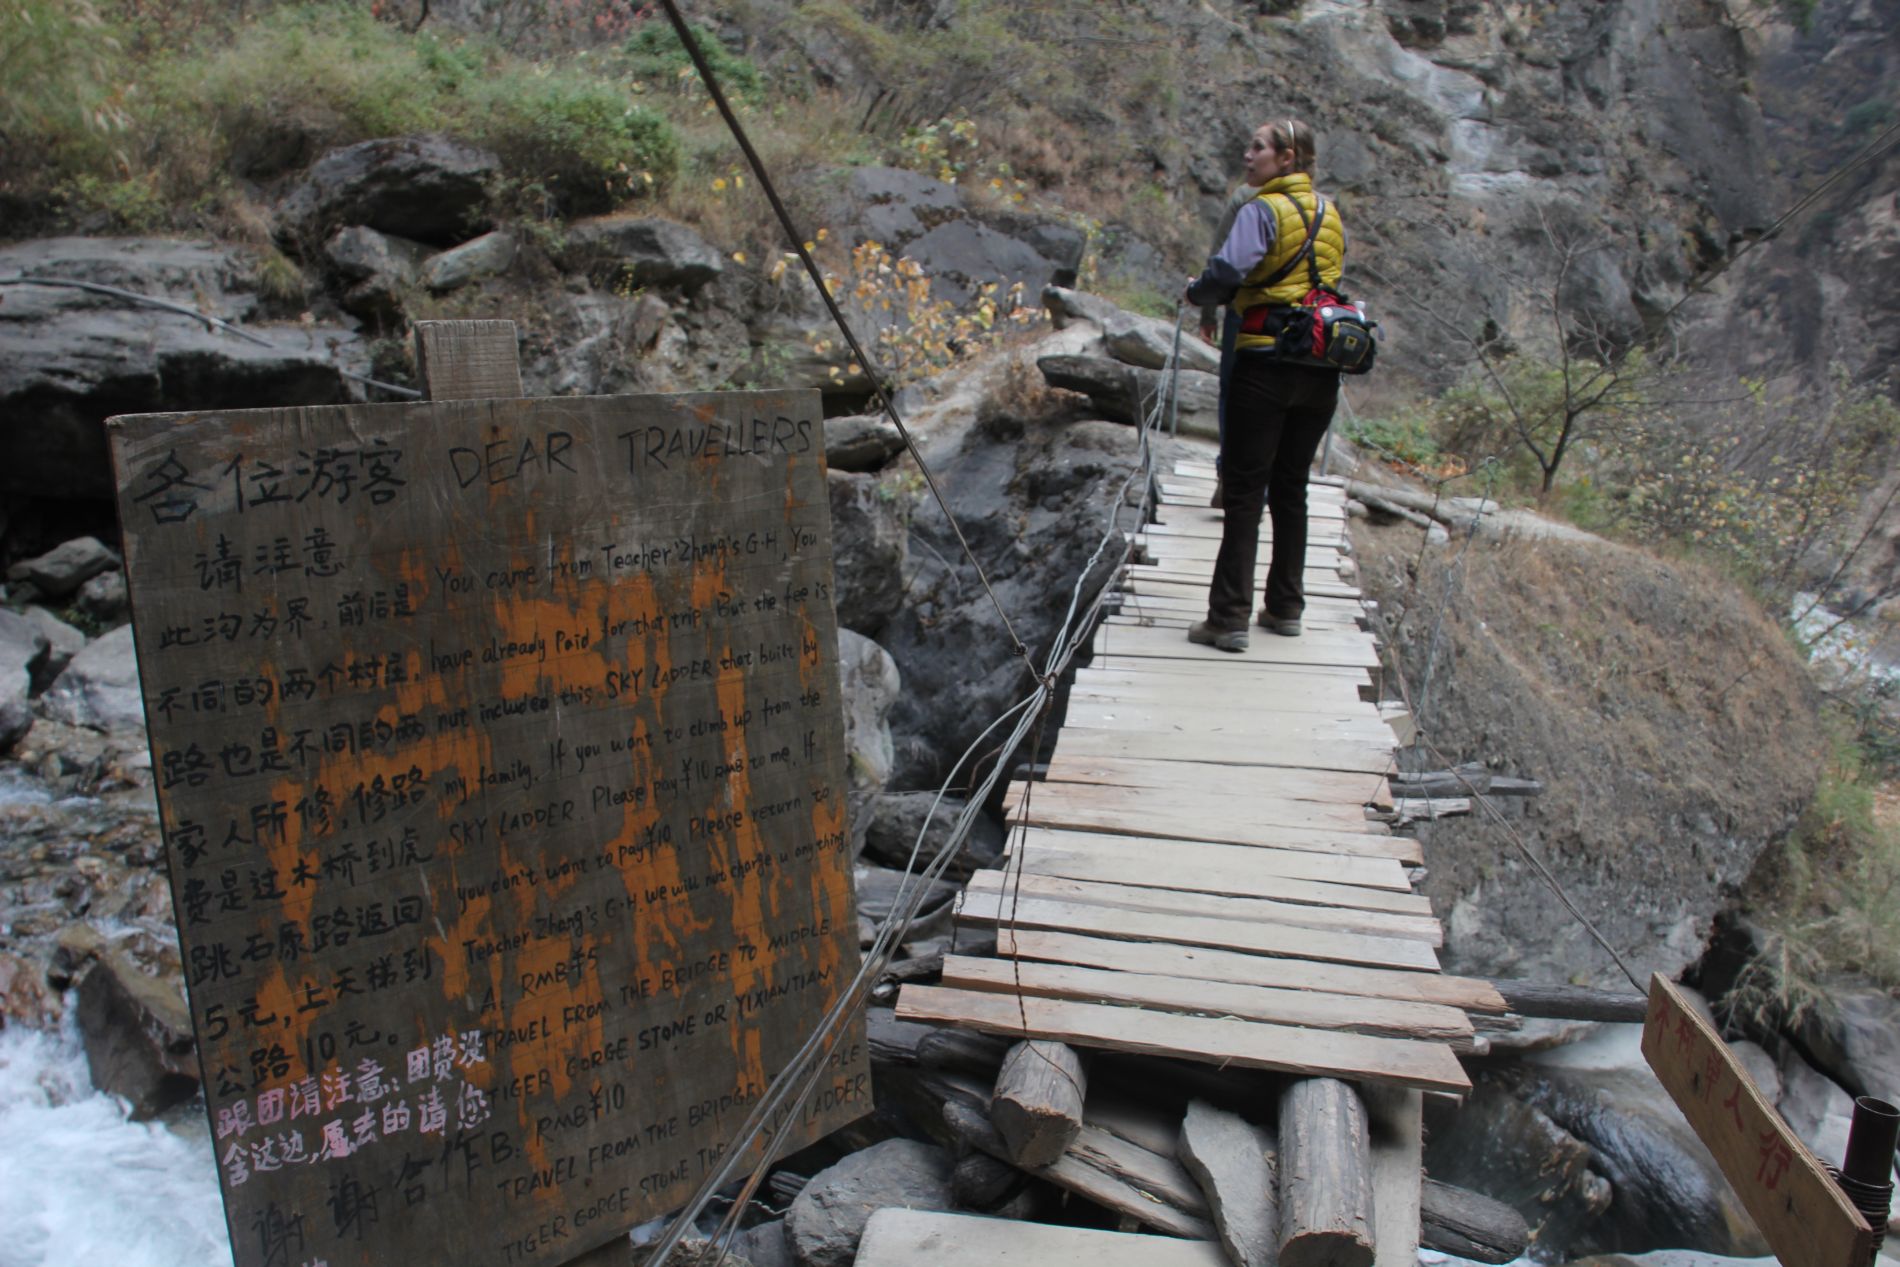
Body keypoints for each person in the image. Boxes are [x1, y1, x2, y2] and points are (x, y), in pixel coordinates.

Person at [1182, 117, 1344, 652]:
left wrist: (1197, 294)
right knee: (1291, 486)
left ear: (1287, 158)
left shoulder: (1260, 210)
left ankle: (1228, 617)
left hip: (1264, 360)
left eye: (1258, 148)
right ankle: (1285, 607)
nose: (1247, 156)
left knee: (1247, 492)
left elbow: (1228, 272)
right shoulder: (1330, 213)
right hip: (1318, 368)